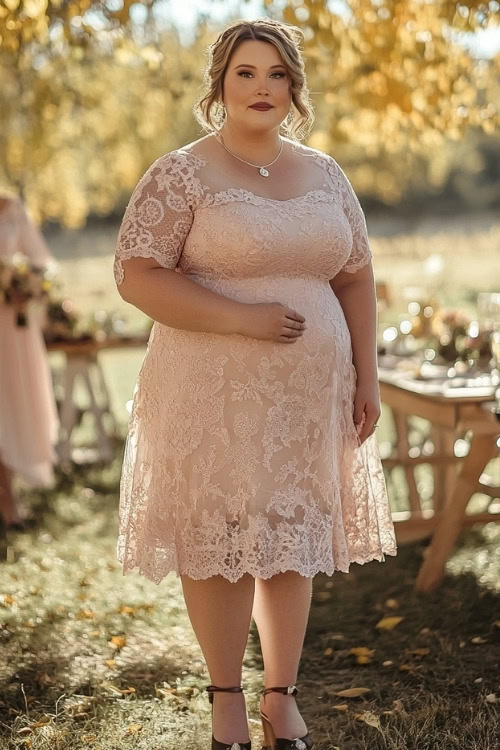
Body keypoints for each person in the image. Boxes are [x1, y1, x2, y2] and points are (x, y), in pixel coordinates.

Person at [113, 18, 397, 750]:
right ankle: (224, 699)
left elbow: (356, 275)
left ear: (294, 88)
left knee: (291, 534)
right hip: (212, 390)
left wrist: (368, 372)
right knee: (224, 531)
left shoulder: (326, 173)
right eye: (246, 72)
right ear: (220, 84)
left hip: (309, 396)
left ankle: (281, 696)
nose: (262, 86)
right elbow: (136, 275)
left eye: (276, 74)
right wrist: (239, 319)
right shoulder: (182, 172)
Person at [0, 194, 59, 531]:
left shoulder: (13, 208)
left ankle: (10, 497)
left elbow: (41, 263)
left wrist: (27, 286)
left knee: (12, 402)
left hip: (12, 326)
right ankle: (7, 499)